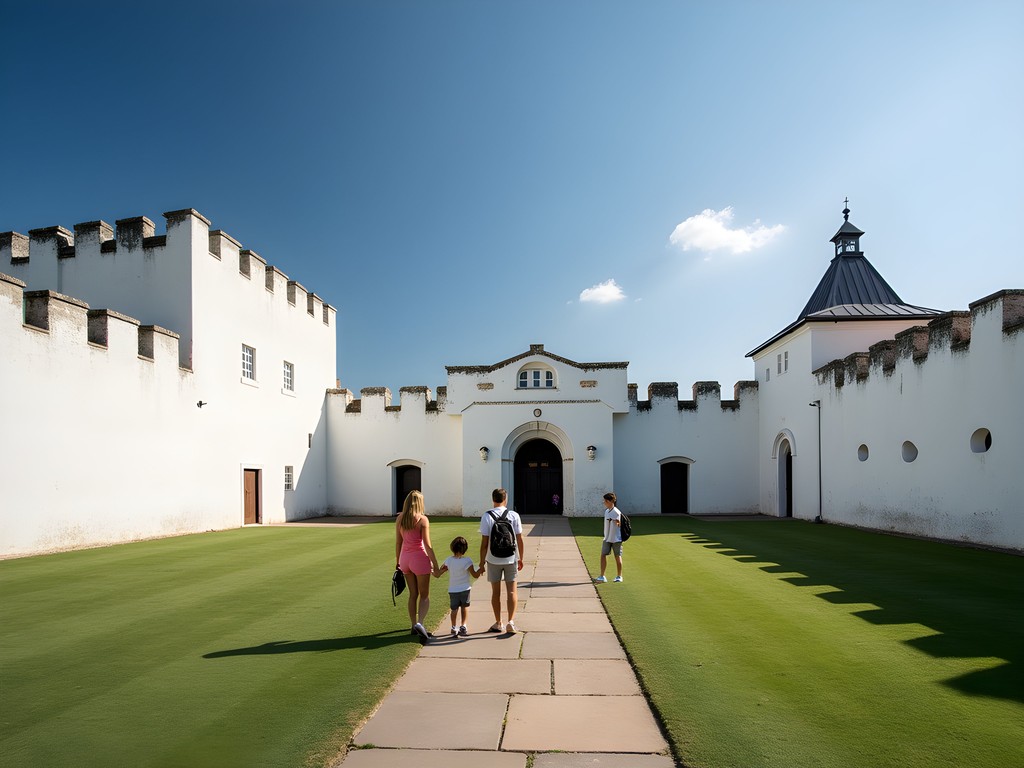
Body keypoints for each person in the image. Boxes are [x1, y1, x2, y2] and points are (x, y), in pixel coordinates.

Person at [395, 490, 440, 643]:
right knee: (424, 595)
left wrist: (398, 562)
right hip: (419, 559)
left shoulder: (400, 518)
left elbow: (398, 542)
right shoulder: (422, 520)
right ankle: (420, 623)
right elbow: (427, 545)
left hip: (405, 559)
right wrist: (436, 564)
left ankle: (413, 625)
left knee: (413, 594)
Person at [479, 488, 525, 633]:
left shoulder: (487, 516)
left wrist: (482, 561)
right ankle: (511, 621)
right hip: (511, 558)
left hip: (493, 558)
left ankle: (499, 623)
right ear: (506, 499)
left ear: (492, 499)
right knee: (512, 592)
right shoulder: (513, 515)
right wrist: (521, 558)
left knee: (495, 592)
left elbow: (484, 542)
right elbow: (519, 539)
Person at [436, 536, 483, 636]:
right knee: (464, 606)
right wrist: (480, 570)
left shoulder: (449, 560)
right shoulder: (467, 561)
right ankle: (463, 625)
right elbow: (475, 575)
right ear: (465, 549)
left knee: (454, 609)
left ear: (452, 548)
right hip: (465, 588)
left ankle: (453, 627)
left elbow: (441, 570)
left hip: (453, 589)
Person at [593, 491, 623, 583]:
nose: (604, 502)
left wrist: (616, 522)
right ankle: (602, 576)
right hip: (607, 538)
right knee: (603, 555)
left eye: (605, 501)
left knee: (617, 556)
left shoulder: (616, 512)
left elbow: (619, 523)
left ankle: (619, 576)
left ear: (610, 501)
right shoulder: (606, 511)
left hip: (616, 539)